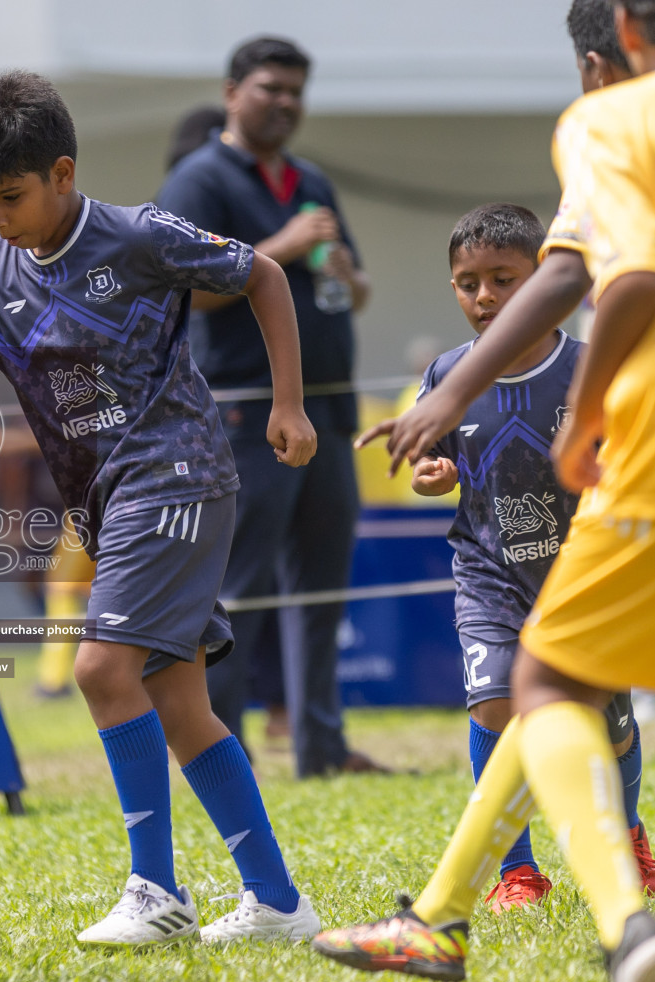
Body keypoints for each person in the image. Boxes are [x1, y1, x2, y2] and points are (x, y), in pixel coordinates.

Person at [0, 70, 323, 948]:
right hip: (107, 502)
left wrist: (288, 405)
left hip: (178, 474)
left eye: (8, 196)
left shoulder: (135, 235)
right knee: (180, 703)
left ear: (63, 173)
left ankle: (154, 891)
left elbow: (263, 273)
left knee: (96, 669)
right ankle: (276, 901)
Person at [315, 2, 655, 982]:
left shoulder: (614, 116)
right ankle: (438, 916)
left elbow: (616, 277)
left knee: (544, 678)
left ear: (620, 39)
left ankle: (628, 932)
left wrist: (540, 405)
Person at [410, 202, 655, 910]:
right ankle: (516, 871)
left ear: (543, 282)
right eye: (466, 283)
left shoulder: (588, 368)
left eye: (501, 279)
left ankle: (627, 832)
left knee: (609, 726)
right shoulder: (448, 374)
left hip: (585, 576)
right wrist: (433, 474)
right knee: (492, 706)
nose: (483, 297)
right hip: (489, 576)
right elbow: (434, 463)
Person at [155, 37, 380, 777]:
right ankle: (226, 751)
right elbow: (182, 290)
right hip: (246, 415)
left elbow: (356, 292)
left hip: (327, 412)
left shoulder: (310, 179)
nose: (283, 102)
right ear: (230, 94)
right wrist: (278, 247)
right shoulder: (199, 180)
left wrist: (347, 273)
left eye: (294, 91)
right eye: (268, 88)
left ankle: (319, 746)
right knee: (239, 592)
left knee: (320, 589)